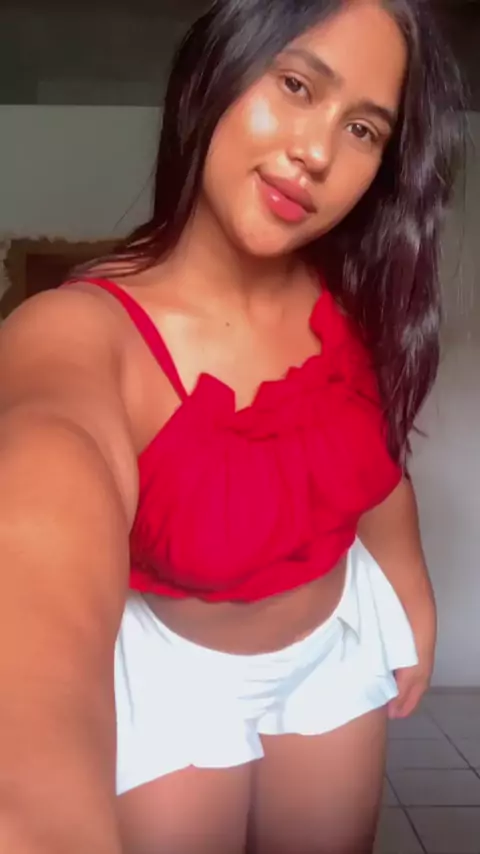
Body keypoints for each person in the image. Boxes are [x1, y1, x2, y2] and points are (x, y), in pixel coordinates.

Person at [0, 0, 464, 852]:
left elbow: (370, 466)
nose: (317, 152)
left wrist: (410, 587)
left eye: (363, 129)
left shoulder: (350, 294)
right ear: (215, 70)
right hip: (173, 679)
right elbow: (39, 514)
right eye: (297, 85)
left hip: (334, 647)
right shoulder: (75, 334)